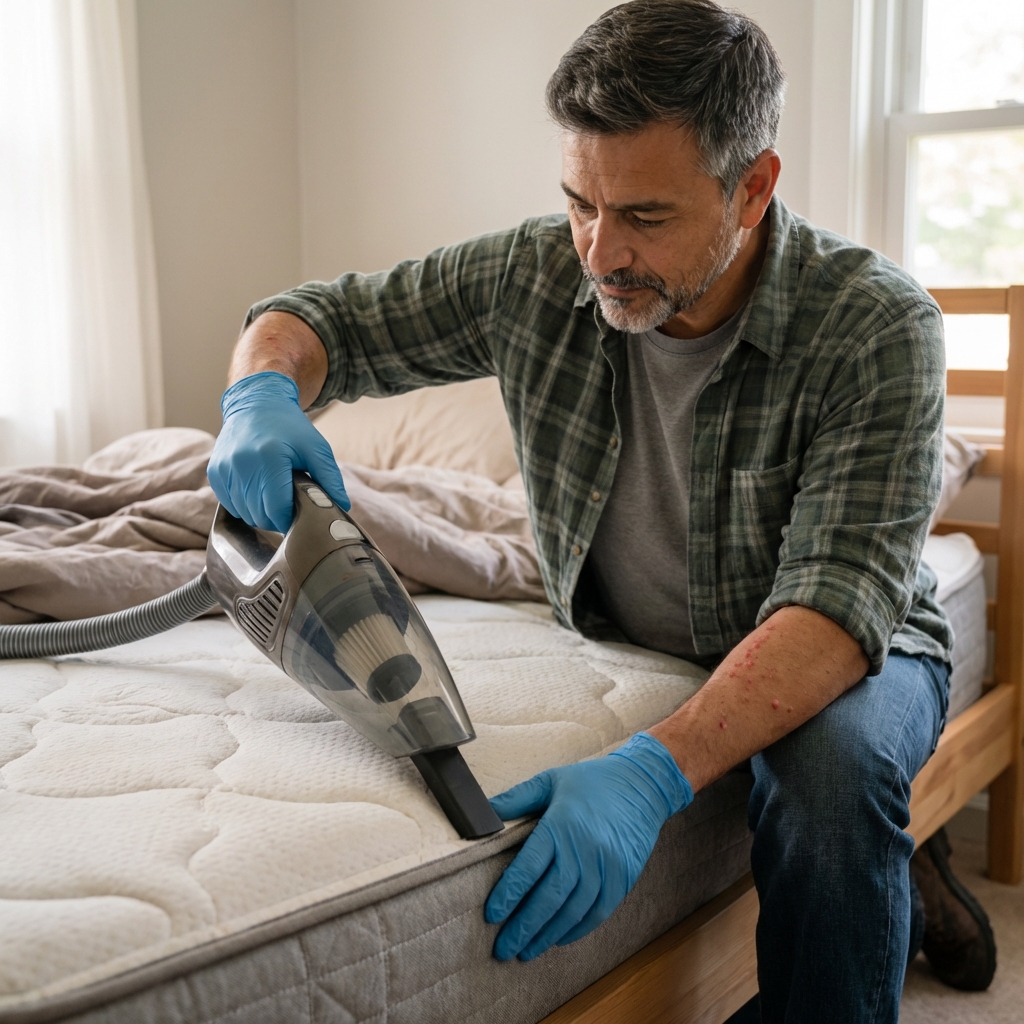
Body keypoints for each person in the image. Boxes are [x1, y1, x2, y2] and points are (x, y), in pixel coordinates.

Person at [207, 2, 989, 1019]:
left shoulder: (876, 324)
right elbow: (316, 318)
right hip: (635, 631)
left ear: (752, 187)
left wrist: (652, 771)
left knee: (832, 777)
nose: (598, 251)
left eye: (645, 217)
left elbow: (833, 613)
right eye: (580, 202)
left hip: (846, 639)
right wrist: (257, 394)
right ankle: (897, 872)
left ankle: (870, 870)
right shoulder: (534, 274)